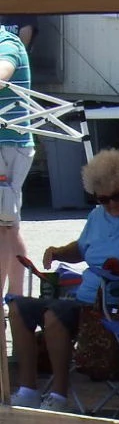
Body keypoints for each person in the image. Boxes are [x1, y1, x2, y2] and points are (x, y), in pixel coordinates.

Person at [8, 150, 119, 410]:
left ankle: (59, 395)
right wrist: (58, 251)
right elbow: (83, 247)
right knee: (18, 308)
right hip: (83, 296)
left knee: (55, 315)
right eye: (103, 199)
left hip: (117, 305)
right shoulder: (97, 216)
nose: (111, 204)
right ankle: (27, 388)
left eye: (117, 196)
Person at [0, 21, 31, 370]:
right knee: (10, 223)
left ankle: (12, 304)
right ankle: (18, 302)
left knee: (3, 224)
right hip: (8, 145)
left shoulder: (5, 43)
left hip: (9, 144)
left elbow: (3, 74)